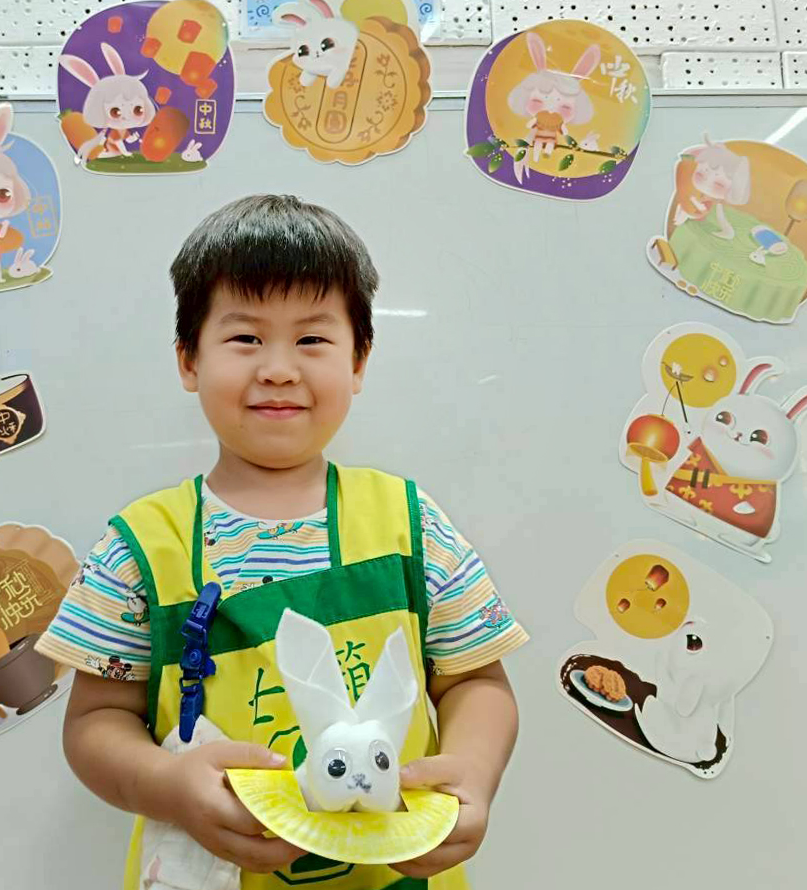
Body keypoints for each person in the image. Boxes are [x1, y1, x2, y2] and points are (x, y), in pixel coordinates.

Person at [35, 195, 528, 889]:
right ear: (188, 359)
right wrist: (167, 785)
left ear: (359, 361)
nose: (278, 369)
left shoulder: (411, 524)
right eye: (245, 338)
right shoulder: (139, 547)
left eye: (312, 340)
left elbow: (476, 683)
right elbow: (95, 721)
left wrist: (472, 776)